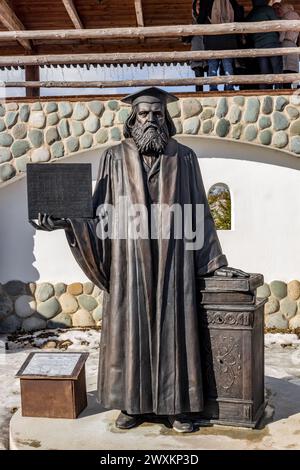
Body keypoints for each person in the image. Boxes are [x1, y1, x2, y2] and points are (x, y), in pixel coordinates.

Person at [34, 87, 248, 433]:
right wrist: (64, 221)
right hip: (128, 261)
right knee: (129, 329)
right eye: (144, 114)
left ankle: (178, 407)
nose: (151, 120)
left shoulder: (185, 157)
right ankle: (131, 405)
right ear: (132, 120)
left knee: (174, 329)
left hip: (173, 261)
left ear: (167, 119)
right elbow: (96, 212)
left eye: (157, 114)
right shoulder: (114, 157)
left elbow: (200, 211)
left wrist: (214, 259)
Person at [195, 0, 244, 91]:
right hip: (228, 37)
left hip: (212, 38)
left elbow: (201, 20)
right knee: (228, 63)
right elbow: (238, 16)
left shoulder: (206, 1)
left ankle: (213, 88)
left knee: (213, 64)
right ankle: (229, 87)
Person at [246, 0, 282, 89]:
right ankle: (278, 88)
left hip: (258, 44)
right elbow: (278, 23)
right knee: (276, 67)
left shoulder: (251, 14)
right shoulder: (268, 9)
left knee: (264, 69)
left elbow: (248, 34)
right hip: (272, 41)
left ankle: (265, 89)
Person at [273, 2, 300, 87]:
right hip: (292, 43)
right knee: (292, 66)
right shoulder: (295, 15)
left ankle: (287, 86)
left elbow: (282, 32)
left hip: (287, 43)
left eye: (281, 8)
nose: (279, 10)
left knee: (287, 66)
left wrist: (278, 40)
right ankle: (293, 86)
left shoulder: (288, 15)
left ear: (288, 8)